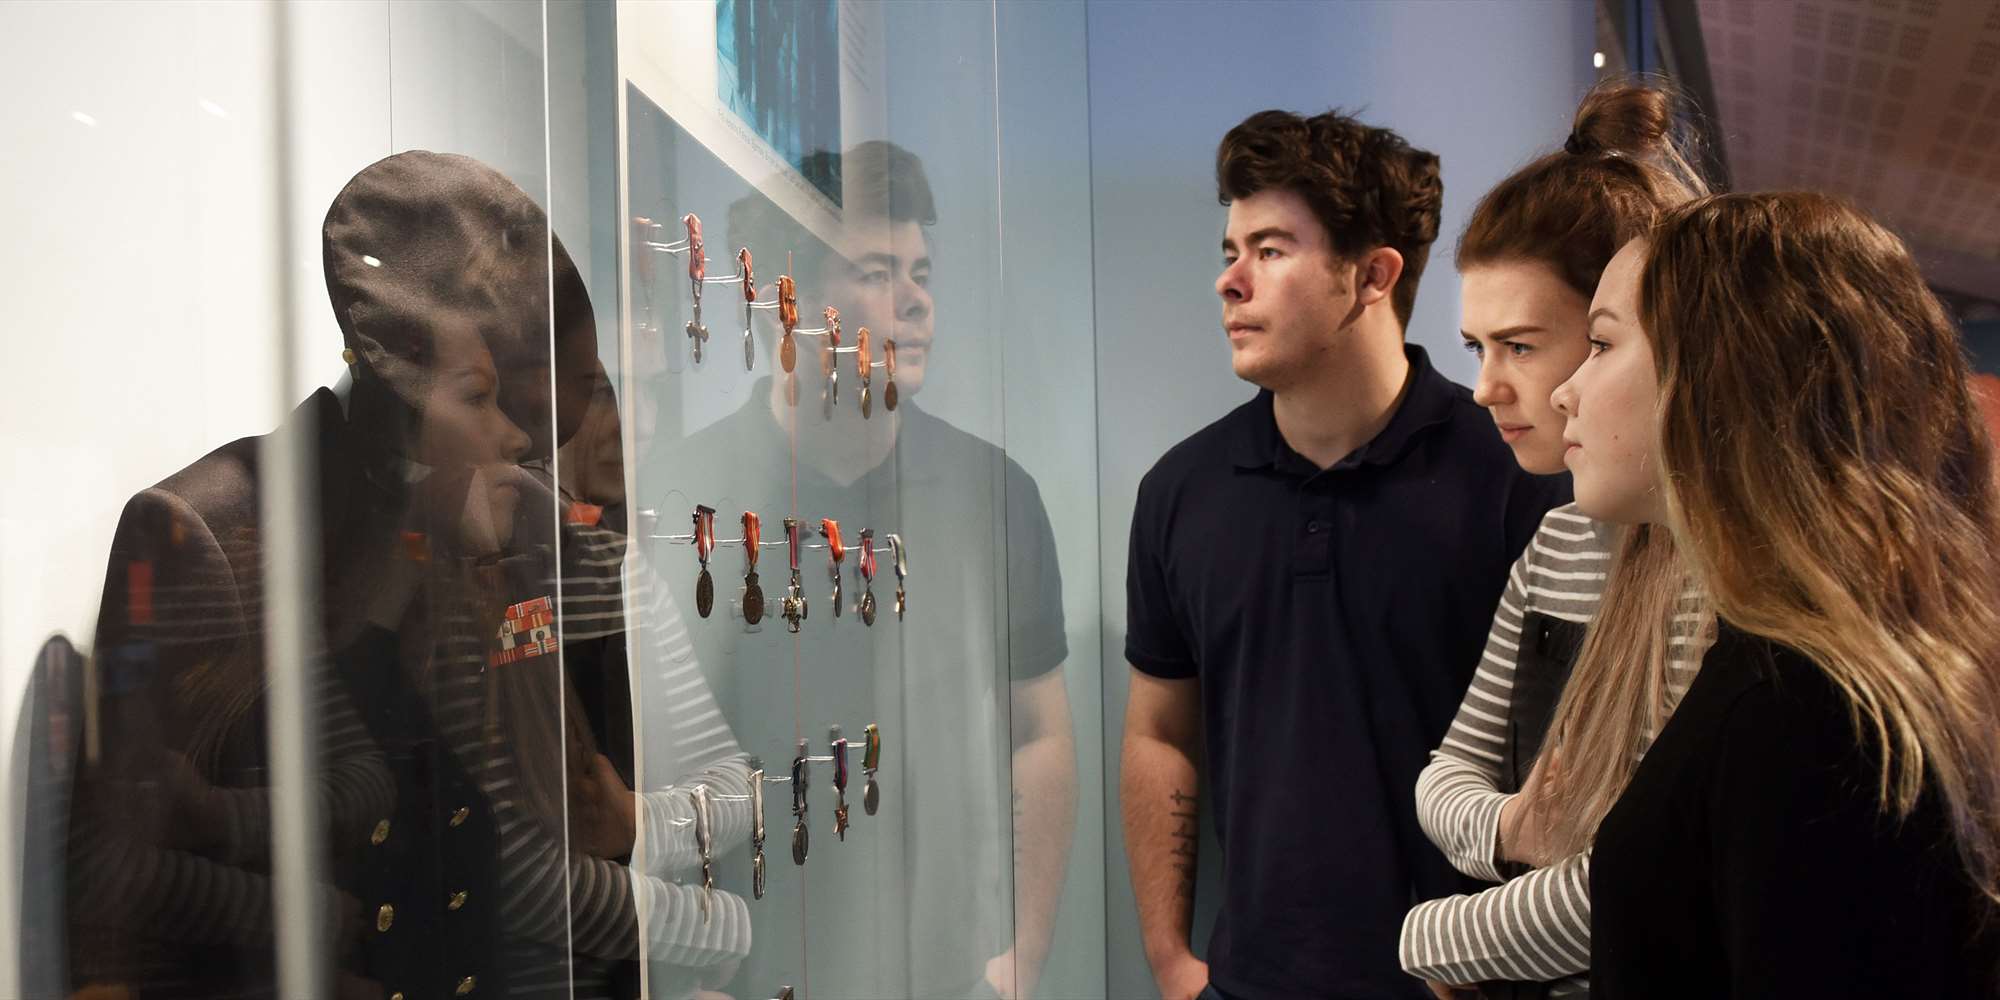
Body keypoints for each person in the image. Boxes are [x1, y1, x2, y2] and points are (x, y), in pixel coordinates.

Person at [1120, 108, 1570, 1000]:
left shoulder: (1514, 476)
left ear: (1373, 276)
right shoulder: (1181, 491)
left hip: (1463, 979)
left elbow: (1571, 762)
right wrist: (1171, 960)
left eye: (1271, 250)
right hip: (1246, 985)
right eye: (1231, 250)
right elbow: (1159, 732)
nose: (1230, 281)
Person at [640, 139, 1076, 999]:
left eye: (922, 272)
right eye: (876, 272)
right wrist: (675, 974)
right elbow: (643, 769)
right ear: (786, 304)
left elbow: (1039, 734)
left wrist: (1019, 958)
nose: (917, 300)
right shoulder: (679, 495)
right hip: (742, 973)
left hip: (942, 976)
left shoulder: (992, 494)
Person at [1558, 192, 2000, 997]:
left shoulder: (1803, 710)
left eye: (1601, 344)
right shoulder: (1813, 669)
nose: (1566, 390)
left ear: (1724, 370)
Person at [1395, 82, 1710, 1000]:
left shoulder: (1724, 575)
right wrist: (1510, 830)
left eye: (1523, 347)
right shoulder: (1561, 537)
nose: (1487, 387)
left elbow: (1642, 880)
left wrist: (1433, 937)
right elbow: (1447, 775)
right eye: (1476, 347)